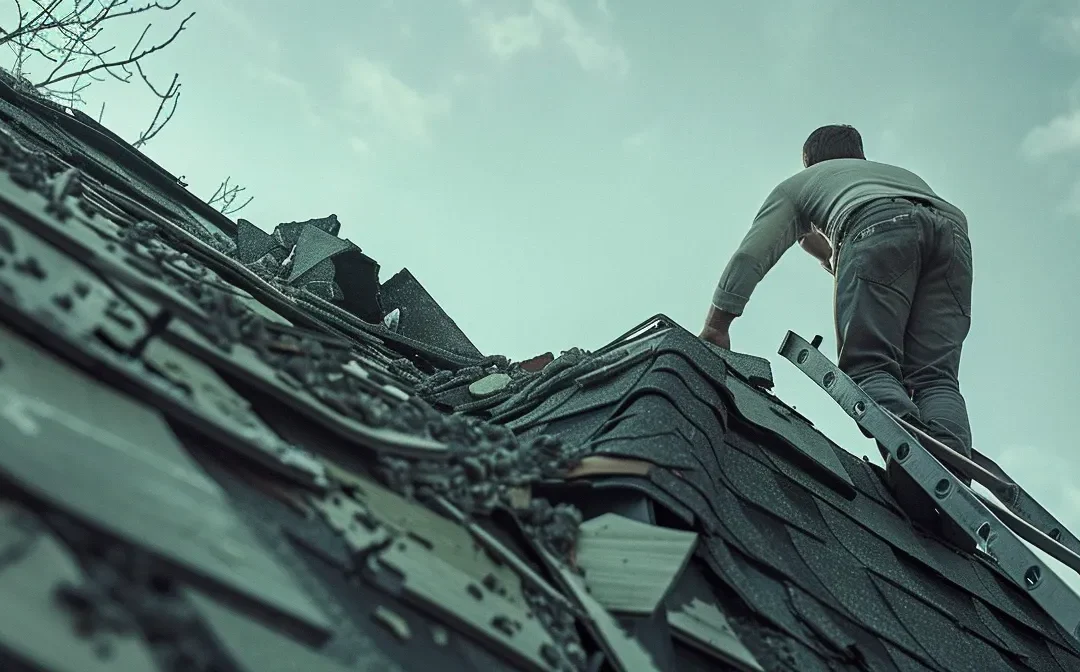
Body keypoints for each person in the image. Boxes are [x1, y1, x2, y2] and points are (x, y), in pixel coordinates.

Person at [699, 124, 974, 466]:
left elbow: (750, 256)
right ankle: (955, 471)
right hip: (953, 236)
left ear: (810, 163)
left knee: (871, 366)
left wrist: (717, 326)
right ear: (858, 155)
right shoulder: (891, 175)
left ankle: (913, 463)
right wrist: (829, 256)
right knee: (936, 377)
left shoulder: (800, 185)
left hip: (875, 223)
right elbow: (824, 241)